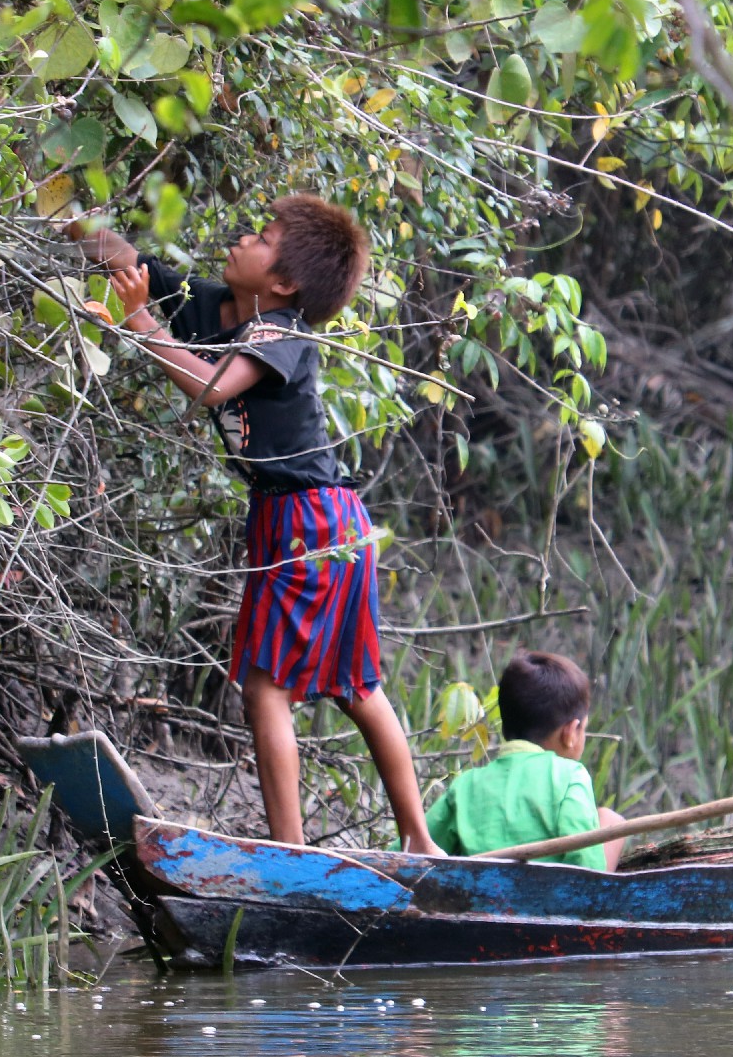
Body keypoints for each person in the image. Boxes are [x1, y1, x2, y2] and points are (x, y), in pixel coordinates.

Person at [78, 195, 441, 854]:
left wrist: (137, 320)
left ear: (283, 283)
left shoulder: (282, 330)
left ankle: (295, 850)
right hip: (306, 520)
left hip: (312, 521)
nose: (244, 236)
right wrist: (62, 215)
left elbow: (214, 387)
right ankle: (411, 840)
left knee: (273, 686)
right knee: (356, 687)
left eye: (264, 237)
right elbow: (130, 259)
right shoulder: (213, 304)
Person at [426, 650, 629, 870]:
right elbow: (587, 866)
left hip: (478, 898)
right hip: (552, 902)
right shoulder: (570, 776)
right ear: (571, 732)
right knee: (610, 819)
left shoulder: (466, 784)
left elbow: (412, 850)